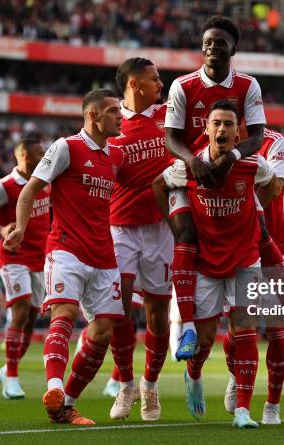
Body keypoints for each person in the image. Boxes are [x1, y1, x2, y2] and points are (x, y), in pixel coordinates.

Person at [164, 15, 284, 358]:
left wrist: (231, 156)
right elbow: (171, 138)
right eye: (207, 42)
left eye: (219, 42)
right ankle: (186, 325)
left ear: (233, 48)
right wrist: (193, 161)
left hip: (230, 170)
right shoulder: (182, 86)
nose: (212, 48)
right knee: (186, 233)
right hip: (190, 170)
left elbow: (258, 136)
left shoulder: (248, 85)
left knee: (261, 230)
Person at [154, 99, 279, 428]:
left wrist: (254, 213)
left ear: (239, 133)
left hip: (244, 259)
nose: (222, 129)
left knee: (245, 332)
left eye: (228, 124)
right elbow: (158, 185)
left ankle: (242, 411)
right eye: (216, 123)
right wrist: (179, 231)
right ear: (207, 130)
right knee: (205, 340)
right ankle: (193, 376)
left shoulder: (254, 164)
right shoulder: (189, 166)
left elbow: (272, 184)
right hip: (206, 262)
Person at [4, 88, 125, 426]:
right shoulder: (65, 147)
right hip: (66, 248)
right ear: (93, 116)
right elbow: (30, 190)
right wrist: (21, 230)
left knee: (102, 332)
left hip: (104, 256)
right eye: (114, 110)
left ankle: (65, 404)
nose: (120, 115)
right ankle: (54, 387)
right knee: (65, 313)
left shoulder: (116, 155)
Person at [101, 57, 174, 422]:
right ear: (134, 84)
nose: (161, 84)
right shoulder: (111, 122)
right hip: (121, 228)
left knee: (158, 315)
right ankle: (126, 385)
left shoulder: (170, 115)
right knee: (118, 310)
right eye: (154, 79)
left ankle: (150, 383)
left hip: (162, 228)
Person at [223, 127, 284, 425]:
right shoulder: (212, 139)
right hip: (237, 248)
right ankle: (237, 374)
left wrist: (238, 182)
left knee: (277, 330)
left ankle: (272, 405)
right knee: (239, 328)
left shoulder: (274, 142)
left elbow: (274, 187)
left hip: (274, 245)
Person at [0, 136, 50, 400]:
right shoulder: (3, 187)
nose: (44, 157)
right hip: (14, 257)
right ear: (24, 157)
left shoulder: (45, 181)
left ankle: (7, 369)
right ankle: (12, 379)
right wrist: (0, 229)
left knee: (31, 319)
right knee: (19, 311)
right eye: (40, 153)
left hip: (40, 259)